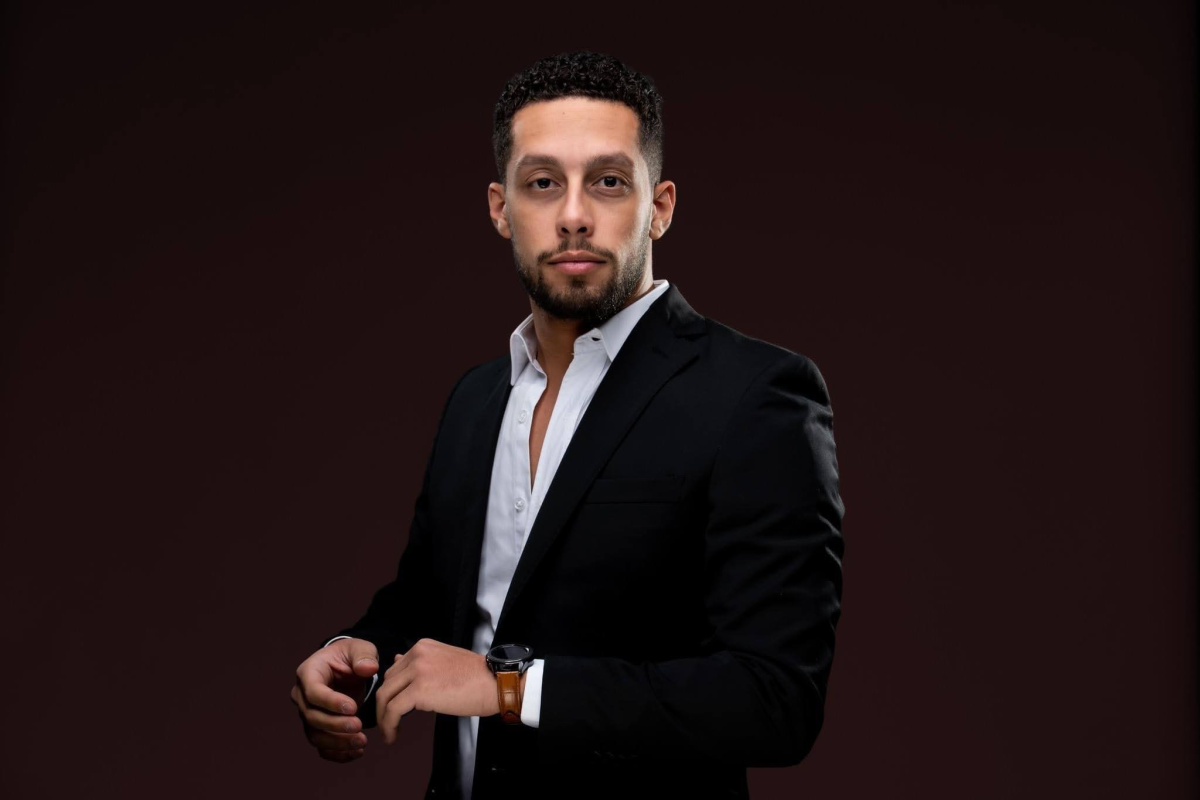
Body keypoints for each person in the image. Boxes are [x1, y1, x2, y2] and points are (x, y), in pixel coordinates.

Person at [290, 50, 845, 800]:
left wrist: (510, 689)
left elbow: (775, 701)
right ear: (500, 209)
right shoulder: (476, 400)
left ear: (660, 207)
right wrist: (354, 653)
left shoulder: (756, 395)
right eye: (543, 182)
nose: (575, 214)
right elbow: (436, 603)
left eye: (608, 181)